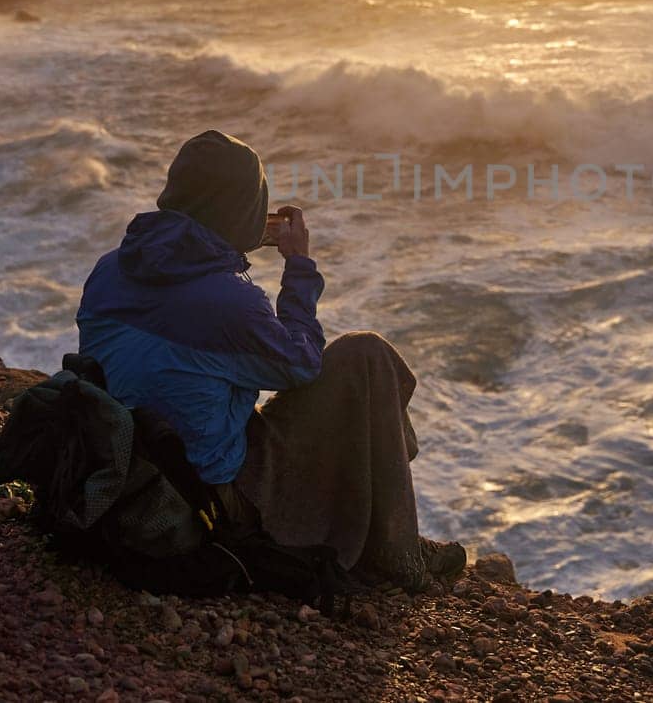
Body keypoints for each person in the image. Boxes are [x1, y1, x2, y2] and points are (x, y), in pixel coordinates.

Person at [75, 130, 466, 591]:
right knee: (367, 356)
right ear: (240, 209)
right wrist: (298, 264)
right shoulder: (227, 301)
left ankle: (390, 528)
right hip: (211, 494)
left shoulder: (109, 268)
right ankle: (398, 553)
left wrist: (230, 240)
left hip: (133, 466)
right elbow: (301, 366)